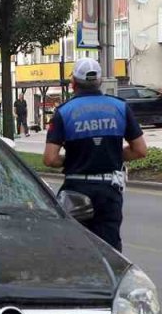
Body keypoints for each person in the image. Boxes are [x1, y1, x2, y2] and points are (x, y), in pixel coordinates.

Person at [43, 58, 148, 251]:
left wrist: (74, 159)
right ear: (99, 81)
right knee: (110, 249)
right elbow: (140, 150)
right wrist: (112, 154)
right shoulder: (120, 107)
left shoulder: (64, 112)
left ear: (73, 82)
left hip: (76, 189)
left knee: (76, 247)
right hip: (109, 188)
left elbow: (50, 159)